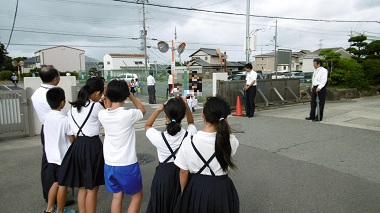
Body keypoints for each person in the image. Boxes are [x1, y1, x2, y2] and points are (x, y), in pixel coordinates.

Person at [174, 96, 240, 213]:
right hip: (222, 189)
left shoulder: (188, 141)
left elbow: (183, 171)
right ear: (224, 118)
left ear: (203, 115)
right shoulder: (231, 141)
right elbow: (226, 135)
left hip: (196, 188)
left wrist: (184, 192)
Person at [57, 77, 106, 213]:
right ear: (97, 93)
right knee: (92, 188)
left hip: (77, 145)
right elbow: (108, 118)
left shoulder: (72, 108)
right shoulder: (96, 106)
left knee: (83, 186)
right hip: (92, 146)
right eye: (101, 93)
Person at [98, 79, 146, 213]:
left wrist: (107, 96)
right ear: (124, 96)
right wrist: (130, 95)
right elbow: (142, 109)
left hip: (109, 164)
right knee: (137, 195)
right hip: (127, 164)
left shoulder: (102, 115)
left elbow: (107, 106)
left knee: (117, 196)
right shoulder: (128, 114)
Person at [31, 65, 74, 206]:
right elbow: (66, 113)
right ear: (55, 78)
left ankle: (49, 195)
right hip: (59, 127)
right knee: (61, 163)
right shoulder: (54, 93)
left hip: (46, 127)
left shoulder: (36, 93)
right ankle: (59, 197)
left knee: (48, 162)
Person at [144, 97, 197, 213]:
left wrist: (159, 109)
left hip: (163, 176)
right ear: (182, 116)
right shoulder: (189, 135)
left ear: (165, 115)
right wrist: (187, 107)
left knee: (161, 206)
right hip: (183, 175)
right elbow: (191, 123)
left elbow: (147, 126)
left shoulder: (159, 137)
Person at [43, 87, 76, 213]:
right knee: (62, 185)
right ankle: (60, 211)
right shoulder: (64, 120)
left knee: (55, 183)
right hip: (63, 158)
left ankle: (49, 209)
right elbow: (71, 138)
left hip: (51, 157)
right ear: (63, 102)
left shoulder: (47, 118)